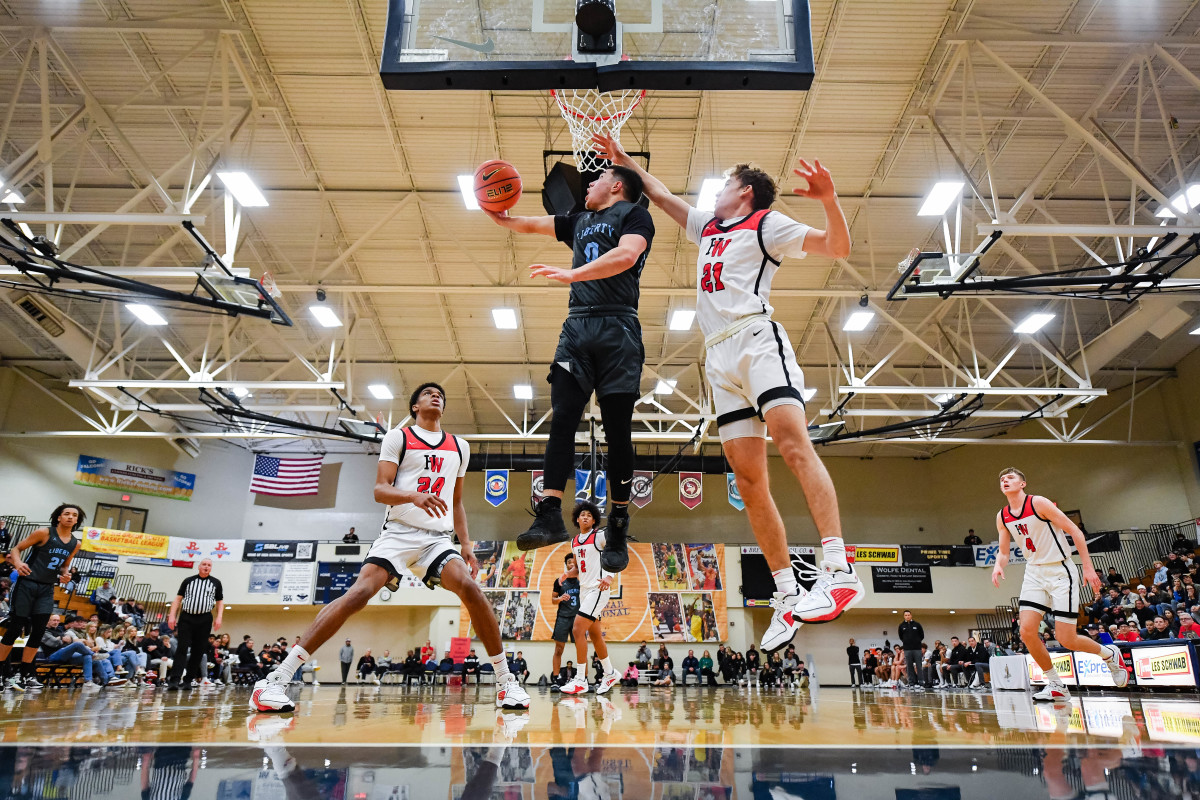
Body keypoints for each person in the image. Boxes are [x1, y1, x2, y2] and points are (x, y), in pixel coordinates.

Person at [593, 134, 863, 652]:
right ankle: (787, 592)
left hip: (757, 341)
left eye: (724, 184)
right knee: (747, 476)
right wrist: (624, 161)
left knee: (791, 443)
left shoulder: (768, 224)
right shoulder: (710, 227)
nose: (715, 191)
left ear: (744, 192)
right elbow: (664, 196)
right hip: (717, 356)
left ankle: (838, 567)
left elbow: (837, 248)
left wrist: (829, 200)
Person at [249, 382, 530, 713]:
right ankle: (275, 680)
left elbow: (456, 501)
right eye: (427, 393)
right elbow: (380, 490)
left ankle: (505, 683)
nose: (436, 395)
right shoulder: (399, 437)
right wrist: (412, 495)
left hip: (436, 539)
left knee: (470, 588)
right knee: (358, 594)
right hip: (398, 532)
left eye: (440, 393)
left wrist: (466, 545)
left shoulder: (460, 446)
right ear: (414, 407)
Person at [485, 165, 655, 575]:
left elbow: (627, 255)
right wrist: (496, 209)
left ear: (617, 186)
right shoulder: (578, 220)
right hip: (577, 327)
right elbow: (527, 223)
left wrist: (574, 273)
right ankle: (548, 513)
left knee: (618, 431)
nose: (588, 185)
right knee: (562, 417)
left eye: (596, 181)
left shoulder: (634, 214)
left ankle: (617, 522)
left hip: (619, 327)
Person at [992, 467, 1127, 701]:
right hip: (1033, 572)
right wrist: (998, 564)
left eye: (1010, 477)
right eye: (1002, 479)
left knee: (1067, 639)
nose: (1005, 480)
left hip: (1060, 569)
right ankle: (1056, 684)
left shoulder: (1039, 503)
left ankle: (1109, 654)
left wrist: (1087, 566)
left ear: (1022, 483)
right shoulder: (1002, 515)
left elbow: (1074, 530)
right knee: (1026, 632)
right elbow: (1004, 551)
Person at [1, 503, 82, 691]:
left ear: (77, 520)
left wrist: (65, 574)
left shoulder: (75, 543)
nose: (70, 517)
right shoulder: (44, 533)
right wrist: (19, 563)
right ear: (59, 517)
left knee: (38, 632)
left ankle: (25, 674)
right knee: (15, 629)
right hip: (27, 584)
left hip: (46, 588)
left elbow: (64, 566)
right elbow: (15, 549)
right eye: (66, 514)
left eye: (74, 515)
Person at [559, 502, 621, 696]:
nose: (585, 517)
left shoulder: (600, 536)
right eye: (582, 515)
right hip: (584, 590)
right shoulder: (575, 541)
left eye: (589, 515)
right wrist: (567, 574)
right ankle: (610, 673)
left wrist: (610, 577)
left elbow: (618, 554)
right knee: (594, 635)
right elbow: (579, 567)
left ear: (594, 520)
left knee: (577, 629)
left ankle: (580, 680)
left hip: (598, 589)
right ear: (577, 519)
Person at [165, 558, 224, 690]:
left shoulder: (216, 583)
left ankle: (188, 681)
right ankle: (174, 680)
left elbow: (220, 601)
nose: (206, 567)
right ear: (199, 566)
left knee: (198, 651)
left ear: (211, 568)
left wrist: (219, 617)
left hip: (205, 619)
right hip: (187, 618)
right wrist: (172, 616)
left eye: (209, 565)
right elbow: (178, 599)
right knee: (182, 648)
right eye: (204, 564)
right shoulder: (188, 581)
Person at [550, 552, 581, 689]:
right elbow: (553, 600)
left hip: (578, 618)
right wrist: (560, 599)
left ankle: (583, 679)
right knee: (558, 649)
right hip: (563, 617)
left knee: (581, 649)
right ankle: (556, 680)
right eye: (569, 562)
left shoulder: (583, 581)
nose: (572, 564)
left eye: (574, 562)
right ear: (566, 564)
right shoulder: (559, 581)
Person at [898, 610, 924, 691]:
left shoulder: (917, 624)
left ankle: (921, 683)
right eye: (906, 615)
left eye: (908, 615)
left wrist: (916, 641)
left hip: (917, 648)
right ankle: (911, 683)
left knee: (919, 666)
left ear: (911, 615)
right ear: (904, 616)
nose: (907, 616)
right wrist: (907, 642)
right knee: (909, 666)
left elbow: (922, 635)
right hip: (907, 649)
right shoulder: (901, 626)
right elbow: (901, 637)